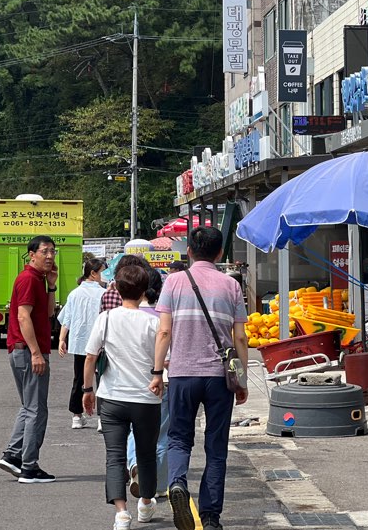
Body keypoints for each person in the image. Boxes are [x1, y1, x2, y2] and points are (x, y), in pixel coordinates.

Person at [151, 226, 248, 530]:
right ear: (220, 253)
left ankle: (178, 483)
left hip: (181, 373)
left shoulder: (174, 282)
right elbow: (241, 338)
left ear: (189, 251)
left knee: (179, 437)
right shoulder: (230, 285)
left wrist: (157, 371)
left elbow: (164, 331)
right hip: (219, 377)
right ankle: (210, 516)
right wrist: (241, 379)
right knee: (216, 446)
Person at [83, 264, 162, 530]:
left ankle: (121, 514)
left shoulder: (106, 318)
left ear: (115, 288)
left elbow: (91, 356)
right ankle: (146, 502)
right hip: (146, 399)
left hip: (112, 398)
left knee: (115, 455)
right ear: (143, 293)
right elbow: (165, 361)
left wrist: (87, 390)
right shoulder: (154, 322)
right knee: (146, 453)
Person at [0, 235, 59, 484]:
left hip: (25, 350)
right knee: (36, 410)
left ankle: (13, 455)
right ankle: (29, 466)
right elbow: (23, 317)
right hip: (27, 350)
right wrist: (35, 353)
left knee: (29, 407)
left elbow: (48, 313)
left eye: (53, 252)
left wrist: (52, 286)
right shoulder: (28, 279)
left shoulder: (39, 280)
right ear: (31, 254)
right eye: (44, 251)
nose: (50, 256)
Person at [125, 266, 168, 499]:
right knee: (161, 435)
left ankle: (134, 464)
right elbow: (169, 356)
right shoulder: (163, 318)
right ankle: (159, 486)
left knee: (134, 429)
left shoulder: (121, 315)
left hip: (130, 384)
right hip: (160, 382)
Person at [58, 257, 107, 429]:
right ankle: (103, 418)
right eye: (103, 271)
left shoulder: (74, 293)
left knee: (79, 378)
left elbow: (67, 319)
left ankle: (77, 416)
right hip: (100, 342)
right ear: (93, 273)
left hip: (79, 343)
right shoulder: (104, 294)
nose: (104, 275)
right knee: (102, 379)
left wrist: (61, 339)